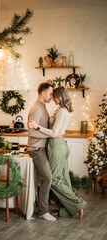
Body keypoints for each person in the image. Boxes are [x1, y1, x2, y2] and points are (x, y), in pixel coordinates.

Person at [29, 86, 87, 219]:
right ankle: (67, 210)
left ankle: (78, 204)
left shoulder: (61, 111)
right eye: (51, 95)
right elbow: (56, 131)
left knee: (54, 179)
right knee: (63, 178)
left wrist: (36, 126)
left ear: (59, 97)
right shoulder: (63, 110)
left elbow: (54, 133)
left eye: (54, 96)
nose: (52, 98)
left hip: (56, 146)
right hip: (60, 145)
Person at [27, 82, 61, 221]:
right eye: (51, 93)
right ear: (43, 93)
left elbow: (41, 127)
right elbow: (31, 131)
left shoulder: (43, 107)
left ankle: (40, 207)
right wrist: (51, 134)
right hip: (36, 149)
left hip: (41, 148)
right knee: (47, 178)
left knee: (42, 179)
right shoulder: (36, 108)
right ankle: (43, 211)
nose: (52, 96)